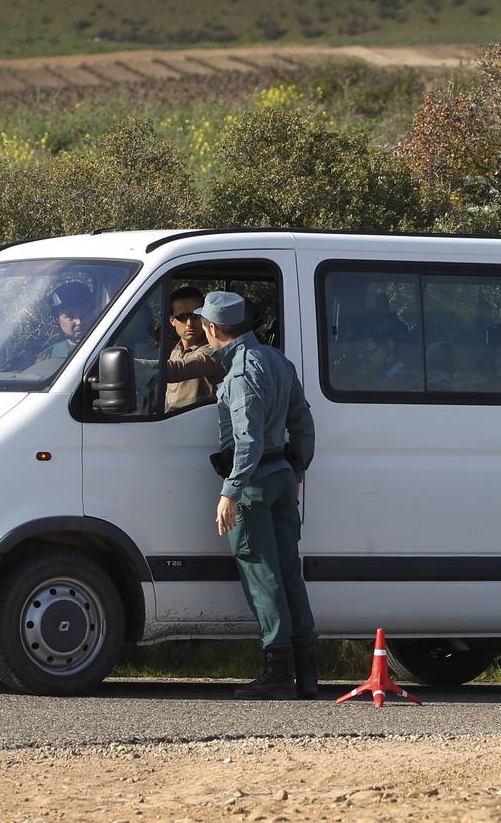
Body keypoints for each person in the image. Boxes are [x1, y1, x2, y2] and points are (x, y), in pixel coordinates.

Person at [198, 291, 318, 700]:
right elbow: (303, 421)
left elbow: (246, 441)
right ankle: (307, 676)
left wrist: (230, 492)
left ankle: (278, 673)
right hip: (282, 476)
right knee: (288, 573)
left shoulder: (240, 372)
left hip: (253, 484)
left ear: (213, 328)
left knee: (263, 577)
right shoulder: (277, 360)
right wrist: (296, 469)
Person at [163, 286, 222, 412]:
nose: (189, 323)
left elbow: (179, 368)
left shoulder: (214, 349)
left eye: (196, 316)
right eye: (182, 317)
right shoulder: (175, 351)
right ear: (172, 321)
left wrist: (128, 365)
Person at [37, 281, 93, 362]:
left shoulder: (108, 342)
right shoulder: (47, 356)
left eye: (85, 314)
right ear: (56, 319)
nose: (78, 322)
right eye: (70, 316)